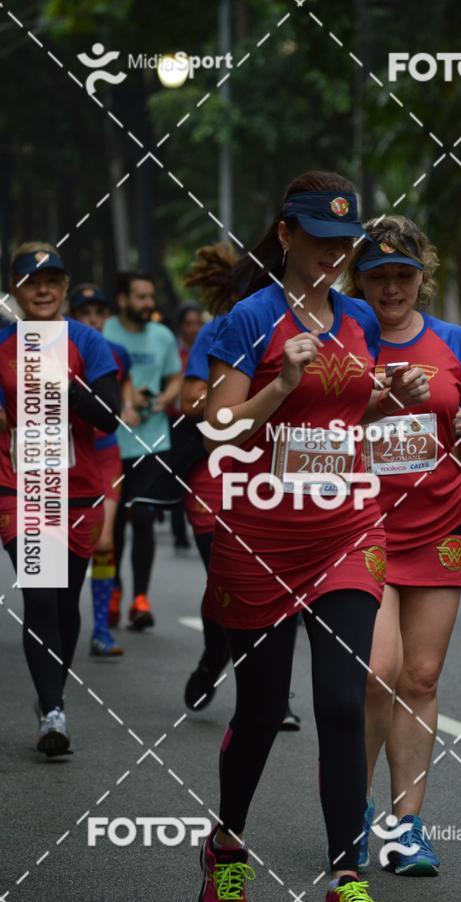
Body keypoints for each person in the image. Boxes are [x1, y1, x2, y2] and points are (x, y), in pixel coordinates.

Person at [195, 172, 428, 902]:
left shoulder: (357, 320)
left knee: (341, 698)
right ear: (288, 235)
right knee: (261, 711)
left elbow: (347, 416)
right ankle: (226, 845)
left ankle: (346, 873)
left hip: (346, 532)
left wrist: (397, 398)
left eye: (343, 245)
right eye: (320, 242)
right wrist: (277, 387)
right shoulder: (247, 319)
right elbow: (216, 431)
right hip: (259, 533)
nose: (332, 257)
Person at [343, 216, 461, 875]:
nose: (391, 288)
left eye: (403, 276)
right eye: (378, 276)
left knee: (421, 676)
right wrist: (377, 407)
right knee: (376, 671)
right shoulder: (344, 341)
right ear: (360, 279)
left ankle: (405, 827)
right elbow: (310, 430)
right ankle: (350, 812)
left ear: (422, 277)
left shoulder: (454, 342)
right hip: (361, 527)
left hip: (440, 526)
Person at [0, 243, 120, 756]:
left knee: (66, 604)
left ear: (66, 288)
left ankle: (53, 691)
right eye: (32, 282)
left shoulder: (88, 342)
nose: (43, 289)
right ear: (17, 291)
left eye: (52, 280)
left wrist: (63, 387)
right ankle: (54, 711)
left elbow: (108, 415)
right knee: (41, 594)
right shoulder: (2, 344)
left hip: (79, 488)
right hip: (19, 486)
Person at [180, 242, 300, 731]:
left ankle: (278, 697)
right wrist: (247, 389)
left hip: (279, 481)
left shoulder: (314, 331)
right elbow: (191, 402)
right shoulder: (226, 328)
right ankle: (214, 656)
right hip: (220, 480)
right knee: (228, 587)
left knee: (281, 589)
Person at [103, 272, 183, 631]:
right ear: (122, 300)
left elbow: (175, 377)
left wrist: (165, 398)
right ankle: (114, 591)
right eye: (140, 297)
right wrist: (122, 402)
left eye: (150, 296)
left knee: (146, 516)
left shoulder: (163, 335)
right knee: (115, 524)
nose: (148, 304)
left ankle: (140, 598)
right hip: (112, 444)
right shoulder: (104, 332)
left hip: (154, 443)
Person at [69, 284, 136, 656]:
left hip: (107, 454)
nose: (93, 319)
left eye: (98, 312)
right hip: (68, 455)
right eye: (84, 313)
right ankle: (60, 615)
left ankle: (101, 630)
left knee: (106, 541)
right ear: (73, 316)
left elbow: (121, 391)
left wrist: (128, 405)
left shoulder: (118, 353)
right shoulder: (55, 347)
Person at [169, 303, 204, 550]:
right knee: (178, 477)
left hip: (201, 423)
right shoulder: (176, 355)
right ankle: (179, 531)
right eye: (188, 323)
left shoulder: (208, 349)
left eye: (197, 322)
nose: (193, 328)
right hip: (177, 423)